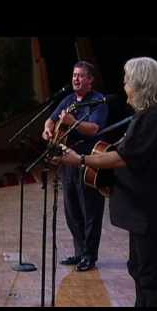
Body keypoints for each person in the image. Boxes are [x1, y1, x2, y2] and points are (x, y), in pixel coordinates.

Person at [54, 57, 157, 306]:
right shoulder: (154, 115)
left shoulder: (155, 117)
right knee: (139, 268)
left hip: (151, 210)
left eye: (127, 80)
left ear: (141, 83)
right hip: (148, 209)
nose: (124, 85)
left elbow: (124, 156)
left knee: (149, 274)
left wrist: (80, 160)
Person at [42, 61, 109, 272]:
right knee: (71, 210)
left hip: (89, 160)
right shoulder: (68, 99)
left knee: (90, 210)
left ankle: (90, 255)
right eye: (74, 75)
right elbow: (50, 120)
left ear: (90, 80)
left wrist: (72, 122)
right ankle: (80, 252)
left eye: (80, 76)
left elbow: (94, 129)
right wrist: (48, 130)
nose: (75, 79)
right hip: (67, 160)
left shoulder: (98, 101)